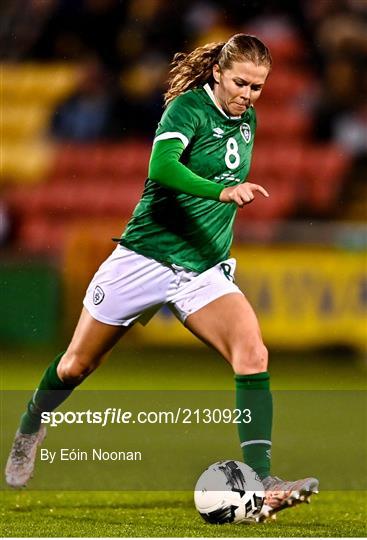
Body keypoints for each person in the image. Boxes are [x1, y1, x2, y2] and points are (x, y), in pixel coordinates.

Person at [5, 34, 318, 521]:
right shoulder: (186, 111)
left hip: (202, 269)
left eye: (258, 87)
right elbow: (162, 167)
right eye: (241, 83)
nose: (248, 95)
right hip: (144, 260)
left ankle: (260, 481)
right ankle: (30, 427)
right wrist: (221, 192)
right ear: (217, 71)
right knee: (75, 366)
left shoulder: (248, 118)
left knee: (253, 354)